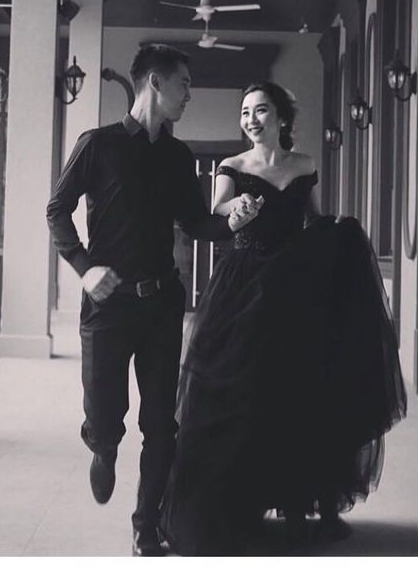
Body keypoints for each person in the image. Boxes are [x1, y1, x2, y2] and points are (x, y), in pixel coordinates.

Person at [159, 81, 407, 555]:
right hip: (244, 287)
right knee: (240, 392)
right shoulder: (233, 166)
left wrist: (336, 235)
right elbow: (217, 209)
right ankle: (234, 505)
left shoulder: (304, 164)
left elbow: (311, 218)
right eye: (244, 112)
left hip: (295, 291)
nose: (251, 119)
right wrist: (237, 207)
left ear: (281, 117)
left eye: (260, 110)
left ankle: (297, 502)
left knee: (297, 393)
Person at [46, 44, 262, 557]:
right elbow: (57, 209)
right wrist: (84, 267)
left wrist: (235, 222)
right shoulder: (97, 144)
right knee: (106, 416)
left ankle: (145, 526)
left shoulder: (179, 156)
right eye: (184, 83)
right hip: (107, 305)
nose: (189, 94)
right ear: (155, 83)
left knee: (162, 424)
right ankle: (102, 445)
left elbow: (197, 222)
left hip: (162, 304)